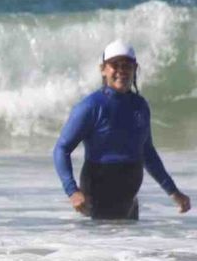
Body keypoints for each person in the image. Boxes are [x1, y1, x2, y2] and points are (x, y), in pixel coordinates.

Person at [53, 40, 190, 220]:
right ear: (103, 69)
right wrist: (72, 191)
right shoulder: (90, 107)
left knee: (130, 247)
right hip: (98, 193)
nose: (121, 71)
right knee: (105, 247)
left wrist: (173, 192)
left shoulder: (140, 106)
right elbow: (61, 149)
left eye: (126, 65)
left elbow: (147, 153)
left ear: (135, 68)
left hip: (129, 200)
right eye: (114, 65)